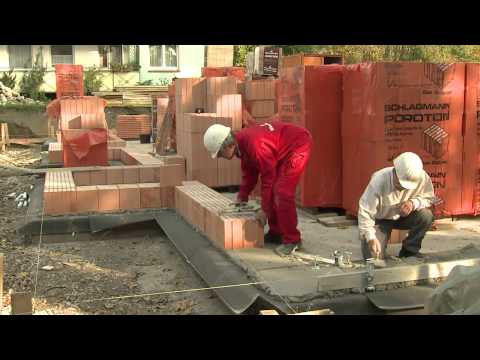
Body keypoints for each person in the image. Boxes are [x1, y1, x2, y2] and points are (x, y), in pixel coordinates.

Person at [203, 118, 313, 256]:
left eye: (219, 154)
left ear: (228, 146)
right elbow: (249, 173)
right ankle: (276, 232)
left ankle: (293, 240)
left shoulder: (255, 145)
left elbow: (268, 179)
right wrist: (242, 197)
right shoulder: (241, 144)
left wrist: (265, 210)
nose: (220, 157)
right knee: (274, 191)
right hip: (281, 149)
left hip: (298, 145)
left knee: (281, 192)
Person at [358, 152, 435, 260]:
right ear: (394, 171)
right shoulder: (379, 180)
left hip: (402, 217)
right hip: (380, 220)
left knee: (426, 216)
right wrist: (370, 237)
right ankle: (374, 247)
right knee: (373, 259)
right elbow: (365, 212)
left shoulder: (421, 177)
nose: (403, 189)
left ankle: (409, 252)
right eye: (400, 184)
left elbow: (430, 198)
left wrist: (413, 203)